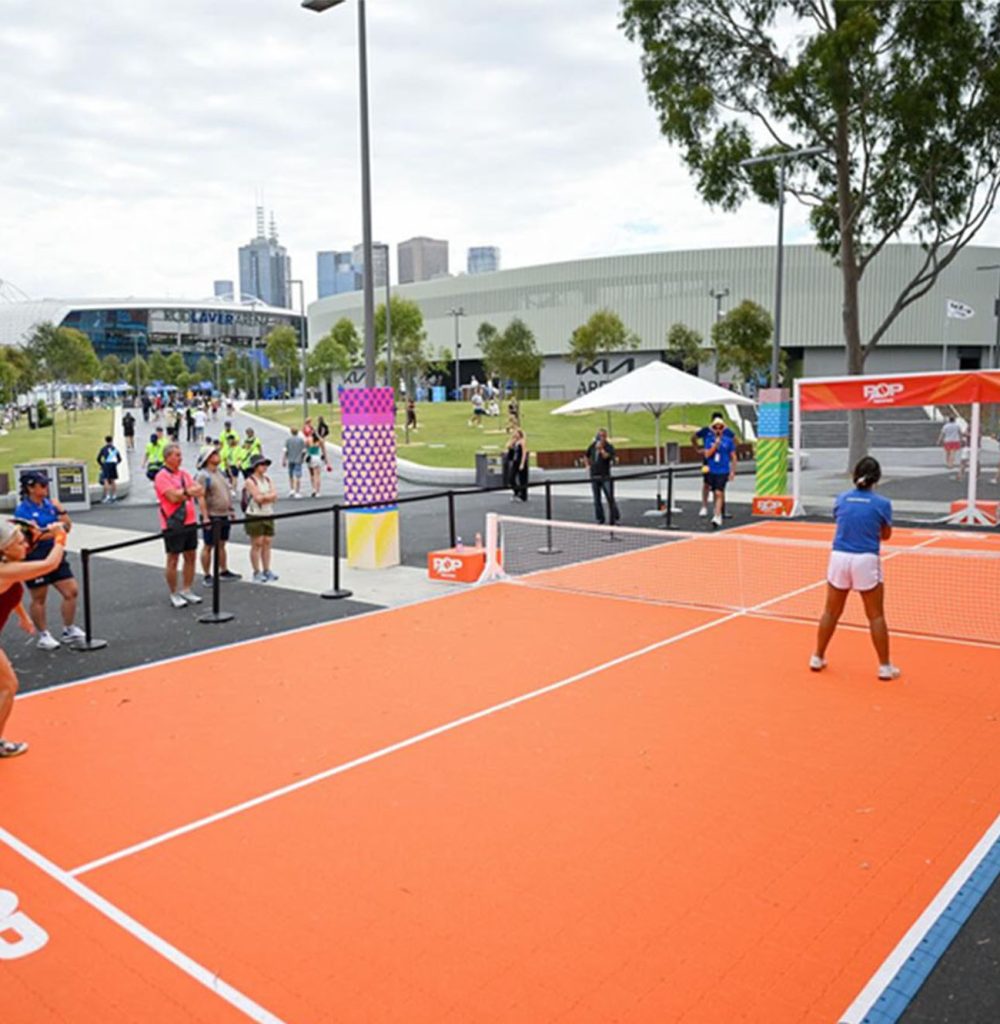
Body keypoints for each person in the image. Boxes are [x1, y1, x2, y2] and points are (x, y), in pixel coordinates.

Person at [811, 456, 900, 681]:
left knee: (830, 612)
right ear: (876, 478)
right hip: (865, 560)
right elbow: (886, 535)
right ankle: (885, 667)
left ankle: (817, 657)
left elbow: (842, 522)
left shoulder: (841, 499)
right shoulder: (883, 504)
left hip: (839, 558)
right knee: (876, 616)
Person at [0, 519, 70, 757]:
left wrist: (21, 616)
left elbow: (9, 592)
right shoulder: (4, 569)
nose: (25, 546)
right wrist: (60, 537)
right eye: (19, 542)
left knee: (6, 685)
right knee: (8, 685)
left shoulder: (9, 564)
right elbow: (50, 564)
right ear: (4, 550)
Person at [14, 470, 86, 651]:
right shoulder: (23, 510)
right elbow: (32, 537)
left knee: (71, 591)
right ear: (31, 488)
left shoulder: (50, 504)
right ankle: (43, 635)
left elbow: (67, 526)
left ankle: (68, 629)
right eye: (42, 485)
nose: (46, 488)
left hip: (56, 554)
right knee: (39, 597)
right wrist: (54, 531)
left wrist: (61, 510)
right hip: (35, 559)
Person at [154, 443, 204, 609]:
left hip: (190, 520)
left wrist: (184, 493)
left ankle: (187, 588)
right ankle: (174, 592)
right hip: (173, 523)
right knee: (173, 558)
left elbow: (199, 490)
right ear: (167, 457)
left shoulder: (184, 474)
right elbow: (172, 497)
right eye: (176, 455)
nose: (180, 458)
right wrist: (187, 492)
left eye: (180, 455)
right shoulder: (162, 476)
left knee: (190, 555)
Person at [196, 446, 240, 586]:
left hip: (223, 514)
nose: (218, 455)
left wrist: (230, 509)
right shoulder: (203, 475)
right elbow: (201, 497)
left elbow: (225, 492)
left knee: (222, 544)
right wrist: (205, 516)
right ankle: (207, 574)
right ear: (208, 458)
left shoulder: (220, 473)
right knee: (208, 545)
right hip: (212, 515)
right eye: (214, 454)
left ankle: (223, 570)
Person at [691, 413, 735, 519]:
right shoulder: (706, 430)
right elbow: (693, 437)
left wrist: (729, 451)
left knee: (720, 486)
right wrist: (697, 449)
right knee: (706, 483)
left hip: (721, 463)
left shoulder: (727, 431)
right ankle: (704, 506)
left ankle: (720, 510)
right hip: (708, 461)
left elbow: (735, 441)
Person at [244, 455, 278, 583]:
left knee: (267, 542)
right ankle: (256, 571)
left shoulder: (268, 480)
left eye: (265, 464)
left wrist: (266, 497)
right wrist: (267, 496)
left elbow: (274, 495)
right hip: (255, 514)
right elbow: (258, 498)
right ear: (255, 467)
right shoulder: (250, 481)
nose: (264, 467)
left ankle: (267, 569)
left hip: (268, 512)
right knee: (257, 543)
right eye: (262, 464)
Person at [586, 428, 620, 525]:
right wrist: (587, 465)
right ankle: (600, 518)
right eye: (599, 436)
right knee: (596, 499)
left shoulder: (609, 447)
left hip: (605, 475)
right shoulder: (592, 446)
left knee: (610, 497)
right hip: (594, 475)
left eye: (603, 436)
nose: (601, 438)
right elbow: (586, 455)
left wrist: (601, 449)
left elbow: (607, 457)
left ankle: (615, 517)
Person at [96, 435, 123, 504]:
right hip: (113, 465)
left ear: (105, 441)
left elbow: (98, 459)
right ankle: (114, 496)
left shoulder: (103, 449)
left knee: (106, 480)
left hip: (106, 465)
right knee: (113, 480)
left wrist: (102, 465)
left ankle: (107, 496)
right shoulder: (114, 448)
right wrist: (115, 464)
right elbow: (119, 459)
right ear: (111, 441)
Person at [282, 426, 307, 498]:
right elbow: (304, 451)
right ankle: (297, 491)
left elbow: (285, 451)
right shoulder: (301, 440)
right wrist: (302, 458)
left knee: (290, 475)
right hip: (298, 459)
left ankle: (292, 489)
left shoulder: (288, 440)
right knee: (298, 476)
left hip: (290, 459)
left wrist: (284, 460)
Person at [505, 428, 529, 502]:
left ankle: (523, 496)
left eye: (516, 433)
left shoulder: (522, 442)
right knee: (511, 478)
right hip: (515, 462)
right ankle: (517, 491)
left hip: (521, 462)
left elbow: (524, 453)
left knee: (522, 479)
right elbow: (507, 446)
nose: (515, 434)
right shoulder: (515, 442)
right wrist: (512, 440)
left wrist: (522, 463)